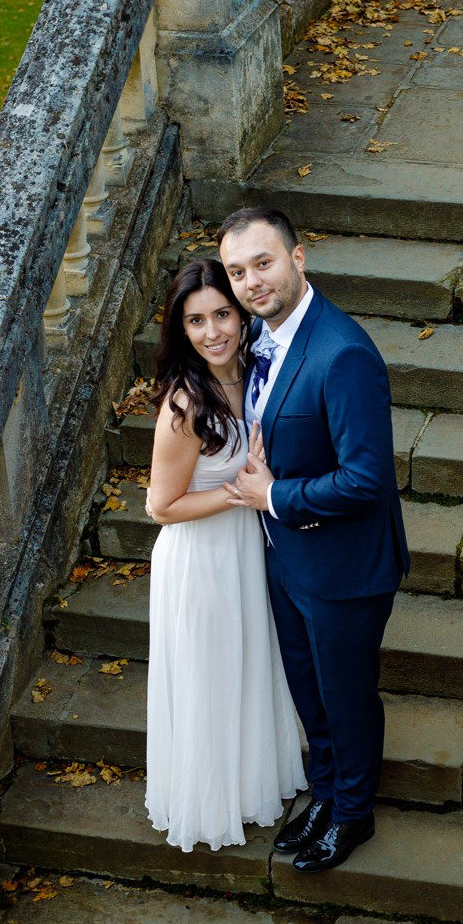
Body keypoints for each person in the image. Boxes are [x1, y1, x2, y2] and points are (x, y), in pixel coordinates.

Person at [218, 207, 408, 872]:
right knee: (310, 691)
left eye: (262, 263)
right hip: (288, 560)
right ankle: (326, 794)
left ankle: (354, 813)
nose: (250, 282)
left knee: (346, 695)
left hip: (345, 568)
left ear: (299, 259)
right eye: (237, 271)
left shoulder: (344, 352)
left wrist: (272, 496)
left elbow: (366, 480)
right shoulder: (262, 341)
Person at [141, 258, 308, 852]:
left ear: (240, 315)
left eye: (221, 315)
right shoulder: (185, 405)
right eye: (195, 321)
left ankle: (251, 778)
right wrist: (237, 494)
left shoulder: (257, 371)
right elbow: (160, 507)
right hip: (200, 557)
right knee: (211, 675)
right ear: (180, 330)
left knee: (248, 660)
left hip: (245, 544)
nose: (212, 332)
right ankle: (213, 802)